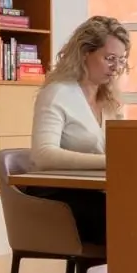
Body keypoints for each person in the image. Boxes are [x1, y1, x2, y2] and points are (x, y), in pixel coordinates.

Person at [29, 15, 130, 243]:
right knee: (135, 220)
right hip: (61, 199)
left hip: (96, 193)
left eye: (121, 60)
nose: (116, 68)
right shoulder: (57, 93)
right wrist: (109, 161)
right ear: (85, 53)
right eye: (110, 58)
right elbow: (43, 155)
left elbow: (121, 149)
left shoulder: (110, 100)